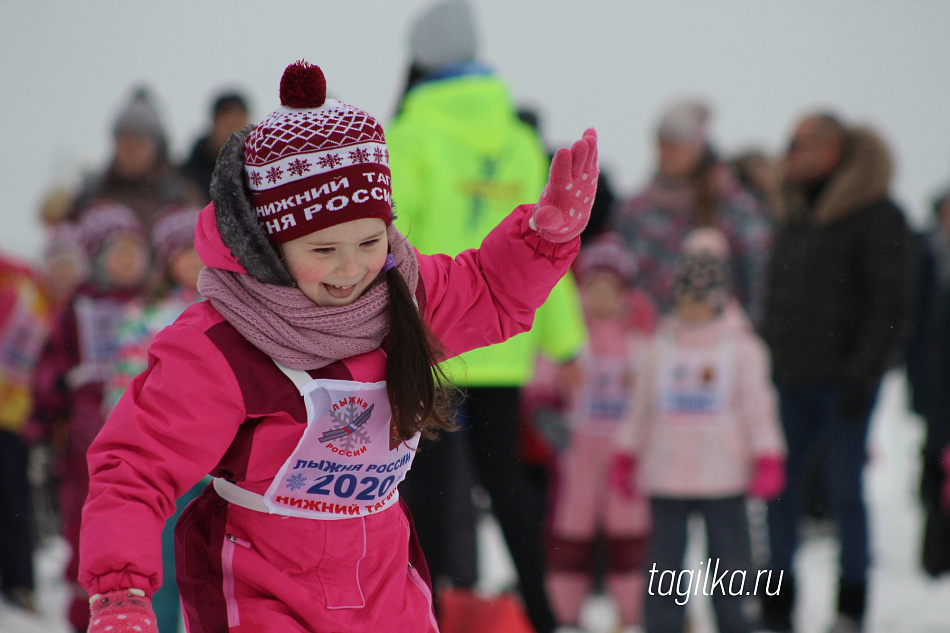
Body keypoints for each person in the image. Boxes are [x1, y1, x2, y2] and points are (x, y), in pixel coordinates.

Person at [75, 60, 599, 633]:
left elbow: (489, 289)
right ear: (269, 245)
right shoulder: (222, 344)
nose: (352, 269)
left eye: (370, 241)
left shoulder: (402, 298)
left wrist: (545, 237)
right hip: (261, 589)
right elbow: (135, 467)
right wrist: (118, 591)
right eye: (323, 250)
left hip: (381, 586)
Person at [386, 4, 587, 632]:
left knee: (429, 493)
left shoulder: (409, 134)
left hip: (433, 337)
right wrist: (568, 343)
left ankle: (432, 616)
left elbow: (389, 241)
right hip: (503, 340)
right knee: (507, 487)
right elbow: (546, 249)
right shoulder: (519, 138)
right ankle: (543, 613)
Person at [760, 112, 915, 633]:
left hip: (845, 382)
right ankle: (775, 603)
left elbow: (891, 304)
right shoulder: (795, 212)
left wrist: (863, 374)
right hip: (790, 378)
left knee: (846, 494)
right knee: (779, 493)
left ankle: (852, 605)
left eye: (797, 144)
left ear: (830, 151)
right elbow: (777, 295)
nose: (788, 153)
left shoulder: (877, 214)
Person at [612, 228, 787, 633]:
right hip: (665, 473)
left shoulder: (743, 349)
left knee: (730, 560)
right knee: (664, 561)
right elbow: (639, 409)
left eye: (697, 300)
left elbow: (758, 408)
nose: (687, 308)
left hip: (723, 475)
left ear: (717, 299)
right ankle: (663, 623)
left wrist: (767, 455)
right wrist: (626, 454)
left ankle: (736, 620)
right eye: (683, 298)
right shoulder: (659, 346)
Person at [32, 202, 152, 633]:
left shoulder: (154, 305)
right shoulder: (78, 309)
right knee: (85, 525)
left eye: (135, 251)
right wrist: (43, 428)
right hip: (84, 438)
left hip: (142, 434)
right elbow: (49, 370)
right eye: (118, 252)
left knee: (135, 527)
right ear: (97, 259)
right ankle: (84, 616)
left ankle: (137, 609)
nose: (129, 261)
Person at [102, 204, 205, 633]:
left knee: (206, 563)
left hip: (212, 460)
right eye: (185, 252)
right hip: (160, 460)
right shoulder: (144, 314)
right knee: (161, 560)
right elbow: (124, 386)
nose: (196, 261)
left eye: (202, 251)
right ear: (166, 258)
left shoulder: (226, 309)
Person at [543, 236, 653, 633]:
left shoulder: (640, 341)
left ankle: (633, 613)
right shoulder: (572, 337)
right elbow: (543, 380)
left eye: (610, 290)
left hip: (626, 456)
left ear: (625, 294)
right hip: (578, 453)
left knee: (629, 533)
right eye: (593, 289)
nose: (601, 299)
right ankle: (567, 613)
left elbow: (653, 394)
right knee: (572, 530)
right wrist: (546, 418)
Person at [609, 99, 772, 326]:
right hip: (651, 342)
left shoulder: (734, 206)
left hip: (718, 341)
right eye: (662, 144)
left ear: (698, 147)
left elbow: (758, 273)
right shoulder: (637, 209)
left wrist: (751, 329)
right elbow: (618, 271)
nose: (667, 152)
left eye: (676, 144)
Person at [70, 87, 203, 227]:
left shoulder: (179, 196)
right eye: (123, 142)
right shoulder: (93, 191)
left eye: (138, 143)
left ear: (157, 149)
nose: (129, 152)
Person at [0, 253, 51, 613]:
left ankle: (19, 584)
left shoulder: (23, 290)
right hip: (15, 412)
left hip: (13, 415)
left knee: (13, 501)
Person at [180, 91, 251, 204]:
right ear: (214, 125)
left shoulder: (258, 170)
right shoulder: (188, 177)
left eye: (239, 124)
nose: (234, 132)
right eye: (228, 125)